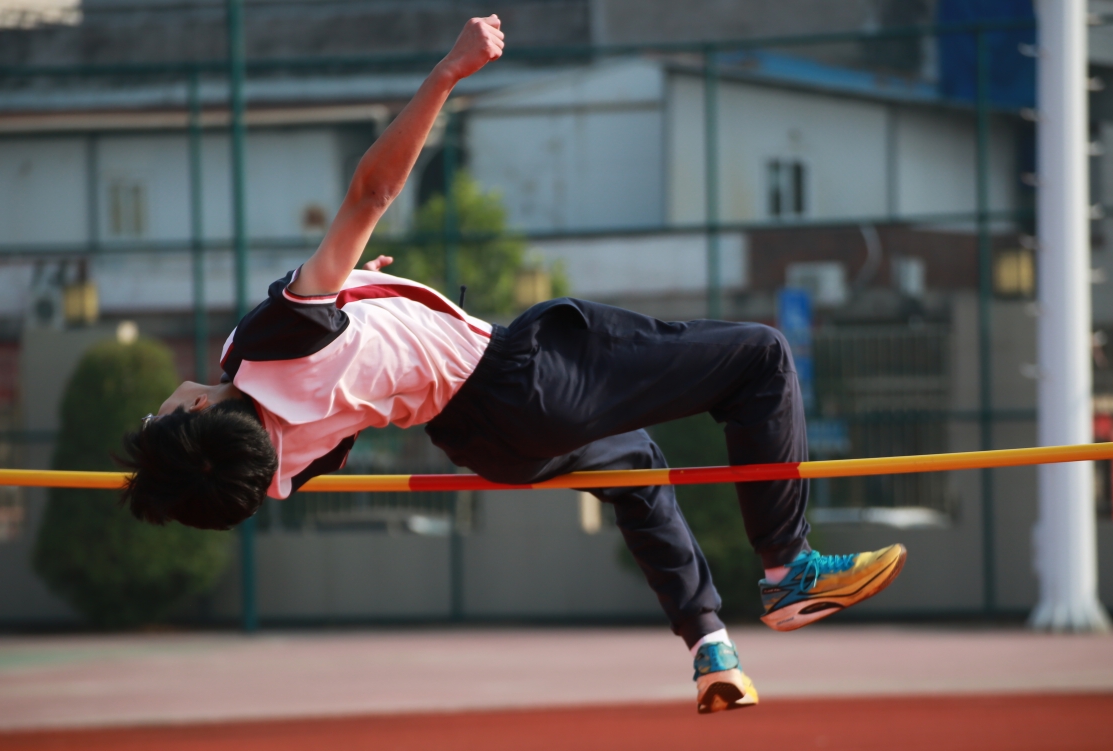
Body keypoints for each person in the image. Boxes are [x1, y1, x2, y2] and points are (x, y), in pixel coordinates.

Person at [123, 15, 907, 714]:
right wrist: (448, 73)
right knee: (761, 358)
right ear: (191, 413)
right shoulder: (262, 345)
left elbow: (345, 395)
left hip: (485, 442)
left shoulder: (274, 468)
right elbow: (371, 192)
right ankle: (787, 568)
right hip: (520, 379)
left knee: (636, 469)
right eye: (157, 412)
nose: (160, 399)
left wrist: (364, 293)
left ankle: (711, 647)